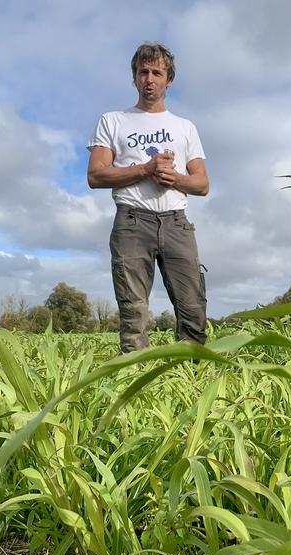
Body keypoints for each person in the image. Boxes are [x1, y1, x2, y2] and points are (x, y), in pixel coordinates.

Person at [87, 43, 209, 353]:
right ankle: (135, 383)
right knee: (133, 313)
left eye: (157, 72)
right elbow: (95, 175)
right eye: (143, 72)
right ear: (134, 78)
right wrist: (146, 169)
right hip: (131, 222)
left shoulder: (185, 127)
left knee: (192, 307)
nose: (149, 79)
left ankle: (192, 378)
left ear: (169, 79)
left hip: (177, 224)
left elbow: (203, 184)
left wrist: (176, 178)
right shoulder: (113, 120)